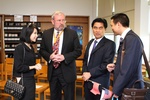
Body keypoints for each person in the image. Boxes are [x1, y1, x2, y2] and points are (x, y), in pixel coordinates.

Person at [39, 11, 82, 100]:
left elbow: (78, 51)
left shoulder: (72, 33)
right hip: (53, 72)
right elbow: (42, 50)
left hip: (68, 71)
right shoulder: (46, 34)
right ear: (52, 21)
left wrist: (64, 57)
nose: (61, 23)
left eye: (63, 20)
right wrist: (50, 57)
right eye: (59, 20)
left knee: (69, 97)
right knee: (54, 97)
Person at [107, 13, 144, 99]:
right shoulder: (127, 38)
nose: (111, 28)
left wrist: (116, 91)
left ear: (118, 24)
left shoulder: (132, 39)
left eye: (112, 25)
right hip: (126, 87)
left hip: (130, 89)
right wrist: (115, 66)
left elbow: (128, 68)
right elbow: (126, 62)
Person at [82, 18, 116, 100]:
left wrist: (90, 73)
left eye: (100, 28)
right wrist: (85, 72)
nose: (97, 30)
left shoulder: (110, 44)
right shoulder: (90, 43)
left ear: (105, 29)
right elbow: (86, 60)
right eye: (95, 28)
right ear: (92, 29)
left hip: (100, 83)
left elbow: (106, 64)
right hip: (87, 82)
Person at [13, 23, 42, 100]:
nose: (37, 35)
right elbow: (18, 67)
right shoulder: (19, 48)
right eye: (35, 33)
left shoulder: (30, 47)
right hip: (23, 80)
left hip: (30, 78)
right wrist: (34, 66)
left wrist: (36, 65)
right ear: (28, 33)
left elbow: (28, 62)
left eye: (37, 33)